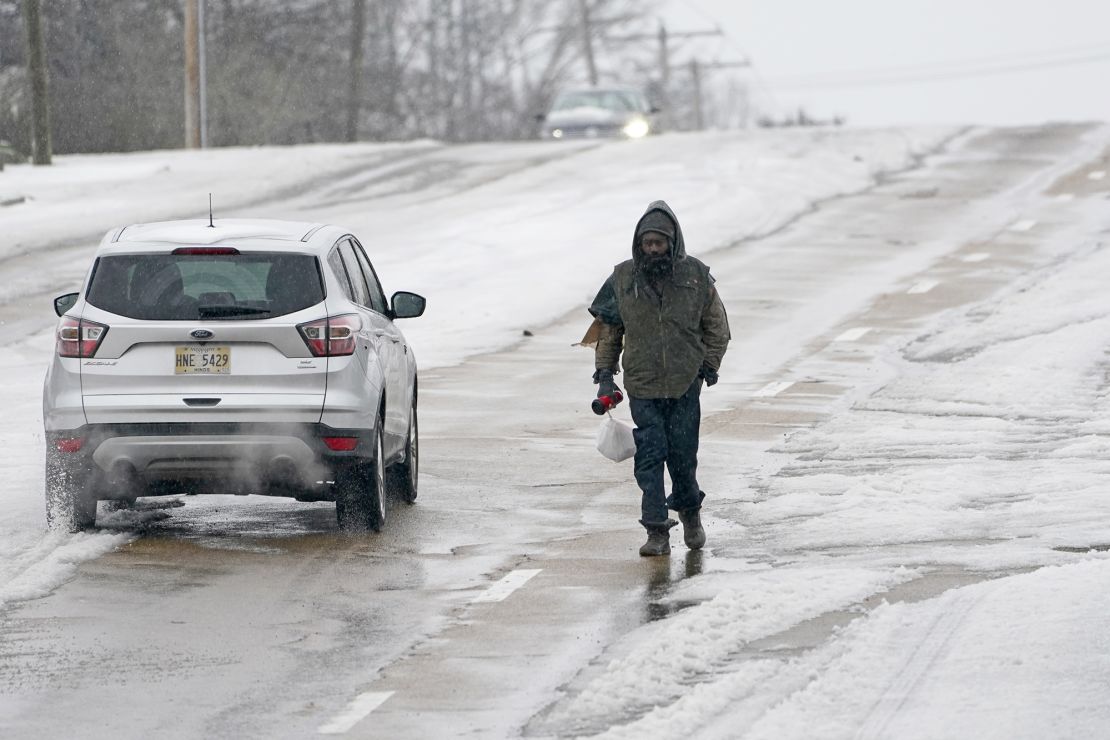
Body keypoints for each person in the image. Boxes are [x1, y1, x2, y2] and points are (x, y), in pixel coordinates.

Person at [588, 201, 730, 556]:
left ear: (673, 243)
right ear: (639, 244)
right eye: (647, 243)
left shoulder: (696, 276)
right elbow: (608, 332)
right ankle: (656, 530)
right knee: (650, 456)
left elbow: (717, 326)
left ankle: (690, 512)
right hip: (643, 385)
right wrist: (605, 375)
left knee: (682, 457)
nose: (653, 249)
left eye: (660, 243)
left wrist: (707, 365)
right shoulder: (621, 279)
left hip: (684, 384)